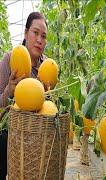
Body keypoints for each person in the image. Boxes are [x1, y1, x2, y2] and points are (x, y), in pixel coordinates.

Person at [0, 12, 48, 180]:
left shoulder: (47, 66)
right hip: (11, 135)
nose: (39, 40)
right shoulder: (10, 59)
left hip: (38, 136)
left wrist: (48, 93)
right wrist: (9, 90)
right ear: (26, 33)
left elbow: (49, 109)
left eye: (44, 36)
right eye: (35, 33)